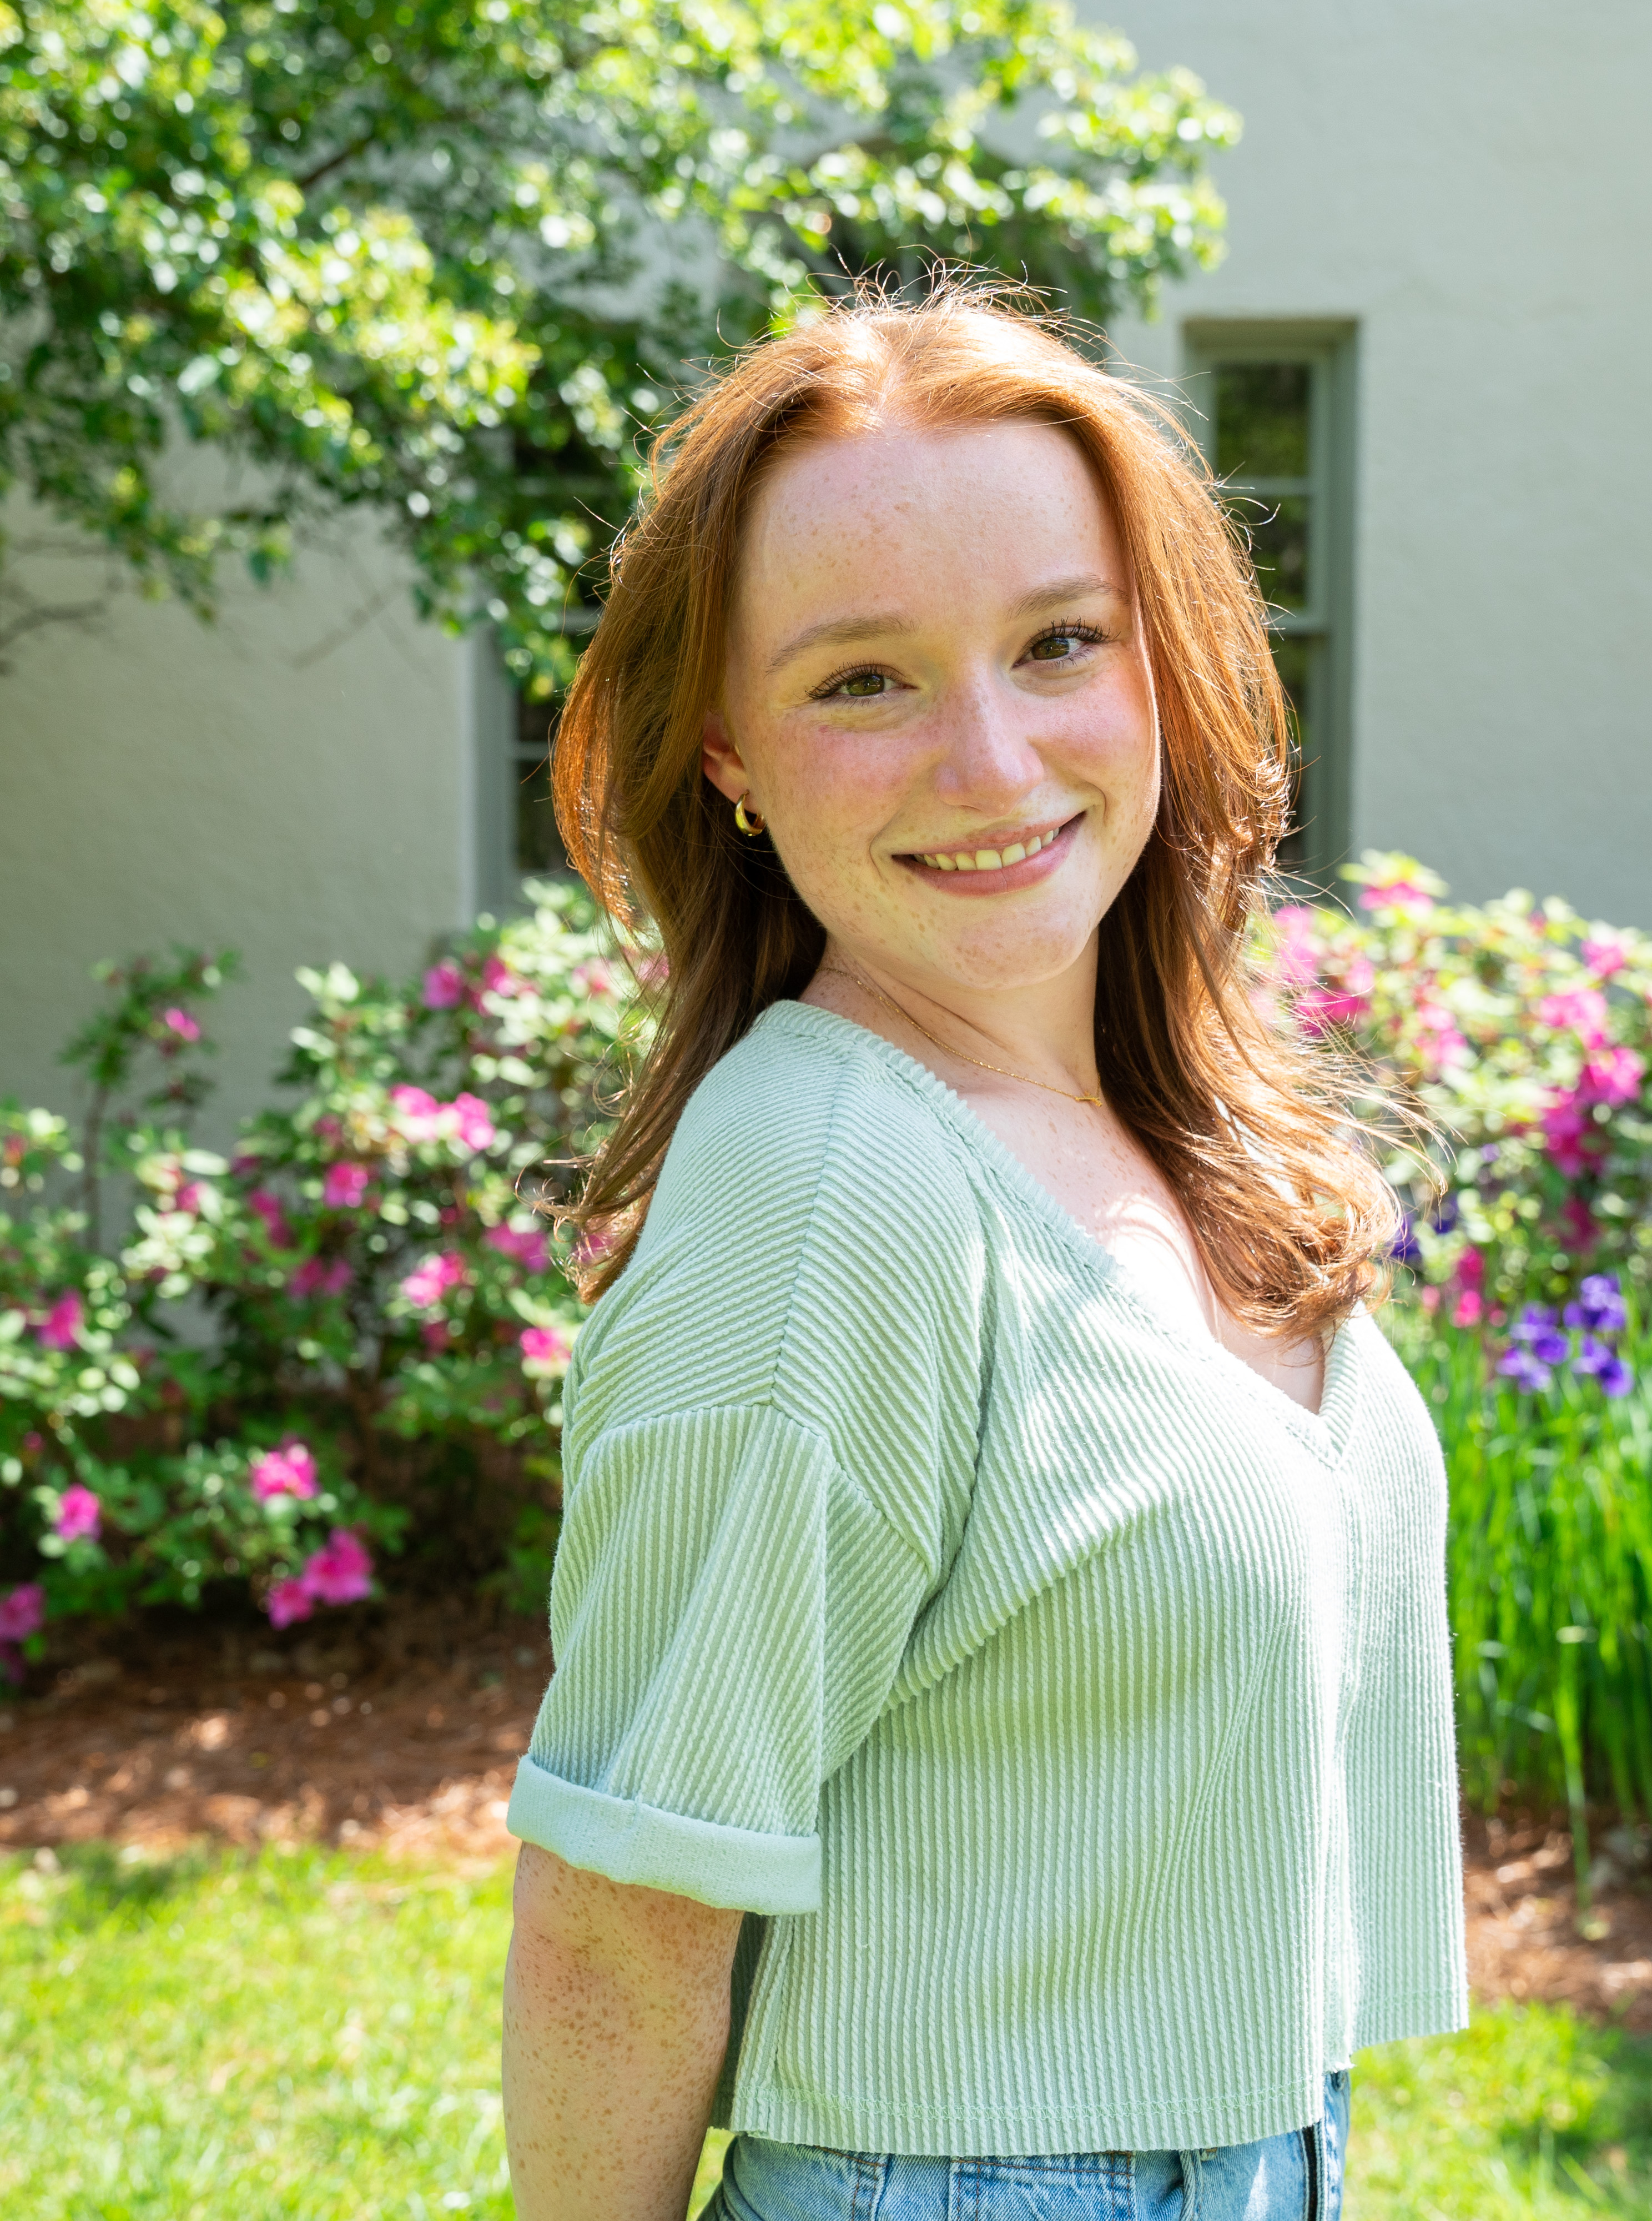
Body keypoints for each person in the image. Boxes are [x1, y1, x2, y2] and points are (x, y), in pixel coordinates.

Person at [496, 275, 1465, 2221]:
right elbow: (627, 1903)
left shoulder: (1146, 1125)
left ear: (1162, 670)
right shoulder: (824, 1181)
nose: (996, 764)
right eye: (864, 680)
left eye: (1059, 645)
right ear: (728, 756)